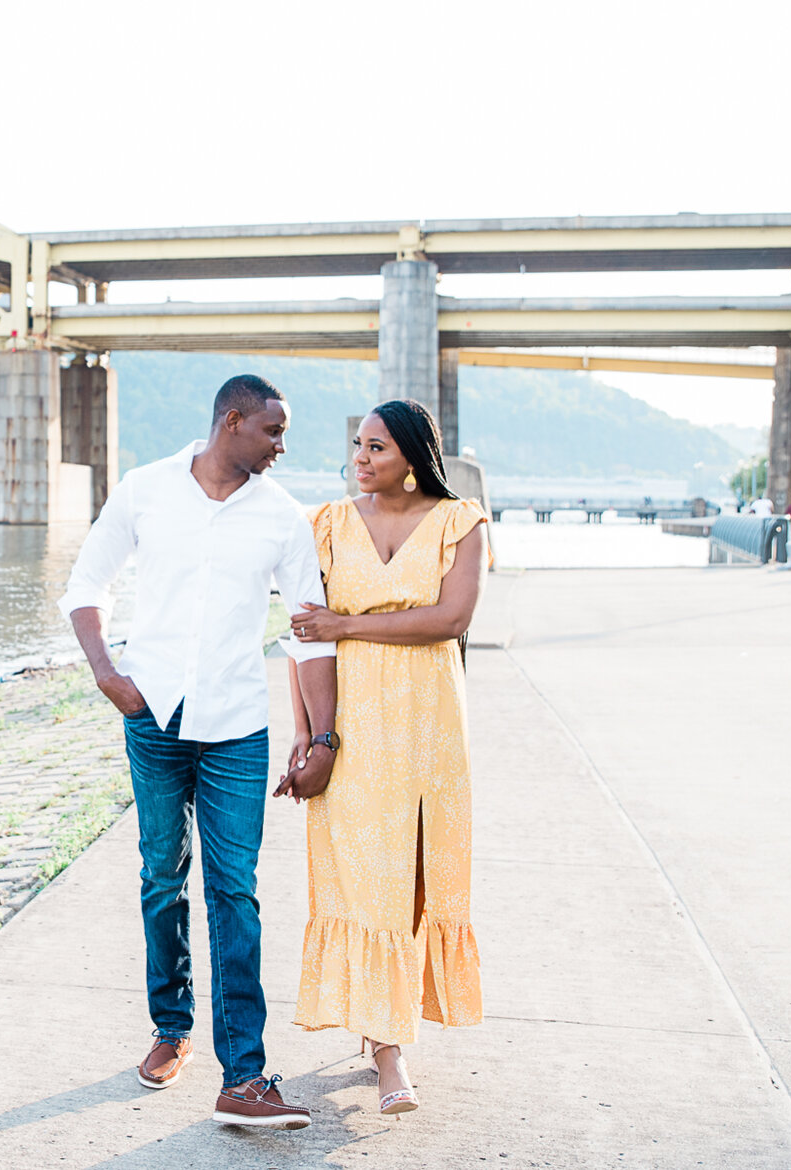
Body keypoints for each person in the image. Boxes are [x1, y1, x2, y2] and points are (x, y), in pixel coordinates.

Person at [59, 373, 339, 1131]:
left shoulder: (283, 517)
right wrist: (107, 674)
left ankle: (243, 1074)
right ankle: (170, 1028)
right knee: (160, 875)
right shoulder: (147, 490)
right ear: (233, 422)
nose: (283, 447)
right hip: (151, 715)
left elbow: (306, 630)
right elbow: (86, 586)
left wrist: (320, 735)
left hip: (237, 726)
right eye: (274, 432)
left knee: (234, 892)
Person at [283, 398, 489, 1116]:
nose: (360, 460)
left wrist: (349, 623)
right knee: (368, 880)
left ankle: (387, 1032)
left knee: (418, 879)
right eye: (357, 447)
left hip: (431, 726)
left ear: (410, 457)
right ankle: (387, 1048)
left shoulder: (460, 524)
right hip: (356, 722)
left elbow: (451, 619)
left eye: (376, 448)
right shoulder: (328, 525)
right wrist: (308, 733)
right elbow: (305, 636)